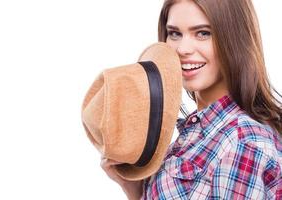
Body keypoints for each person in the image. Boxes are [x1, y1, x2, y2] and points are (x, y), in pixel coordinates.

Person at [101, 0, 282, 199]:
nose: (183, 49)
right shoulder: (200, 133)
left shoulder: (242, 142)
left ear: (235, 38)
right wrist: (134, 189)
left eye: (203, 33)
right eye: (175, 33)